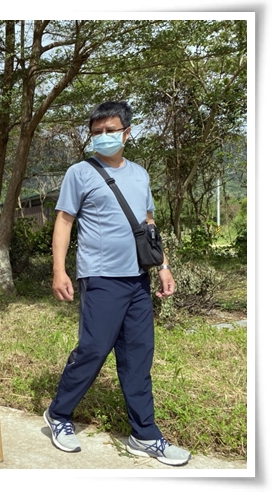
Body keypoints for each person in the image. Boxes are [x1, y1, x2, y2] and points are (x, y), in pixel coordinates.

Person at [44, 101, 191, 466]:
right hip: (100, 277)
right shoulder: (80, 172)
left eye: (111, 130)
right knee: (93, 349)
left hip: (138, 279)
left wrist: (163, 266)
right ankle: (59, 414)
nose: (104, 137)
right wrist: (59, 270)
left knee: (138, 355)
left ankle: (144, 434)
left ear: (127, 132)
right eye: (97, 132)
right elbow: (64, 221)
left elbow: (148, 224)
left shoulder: (140, 174)